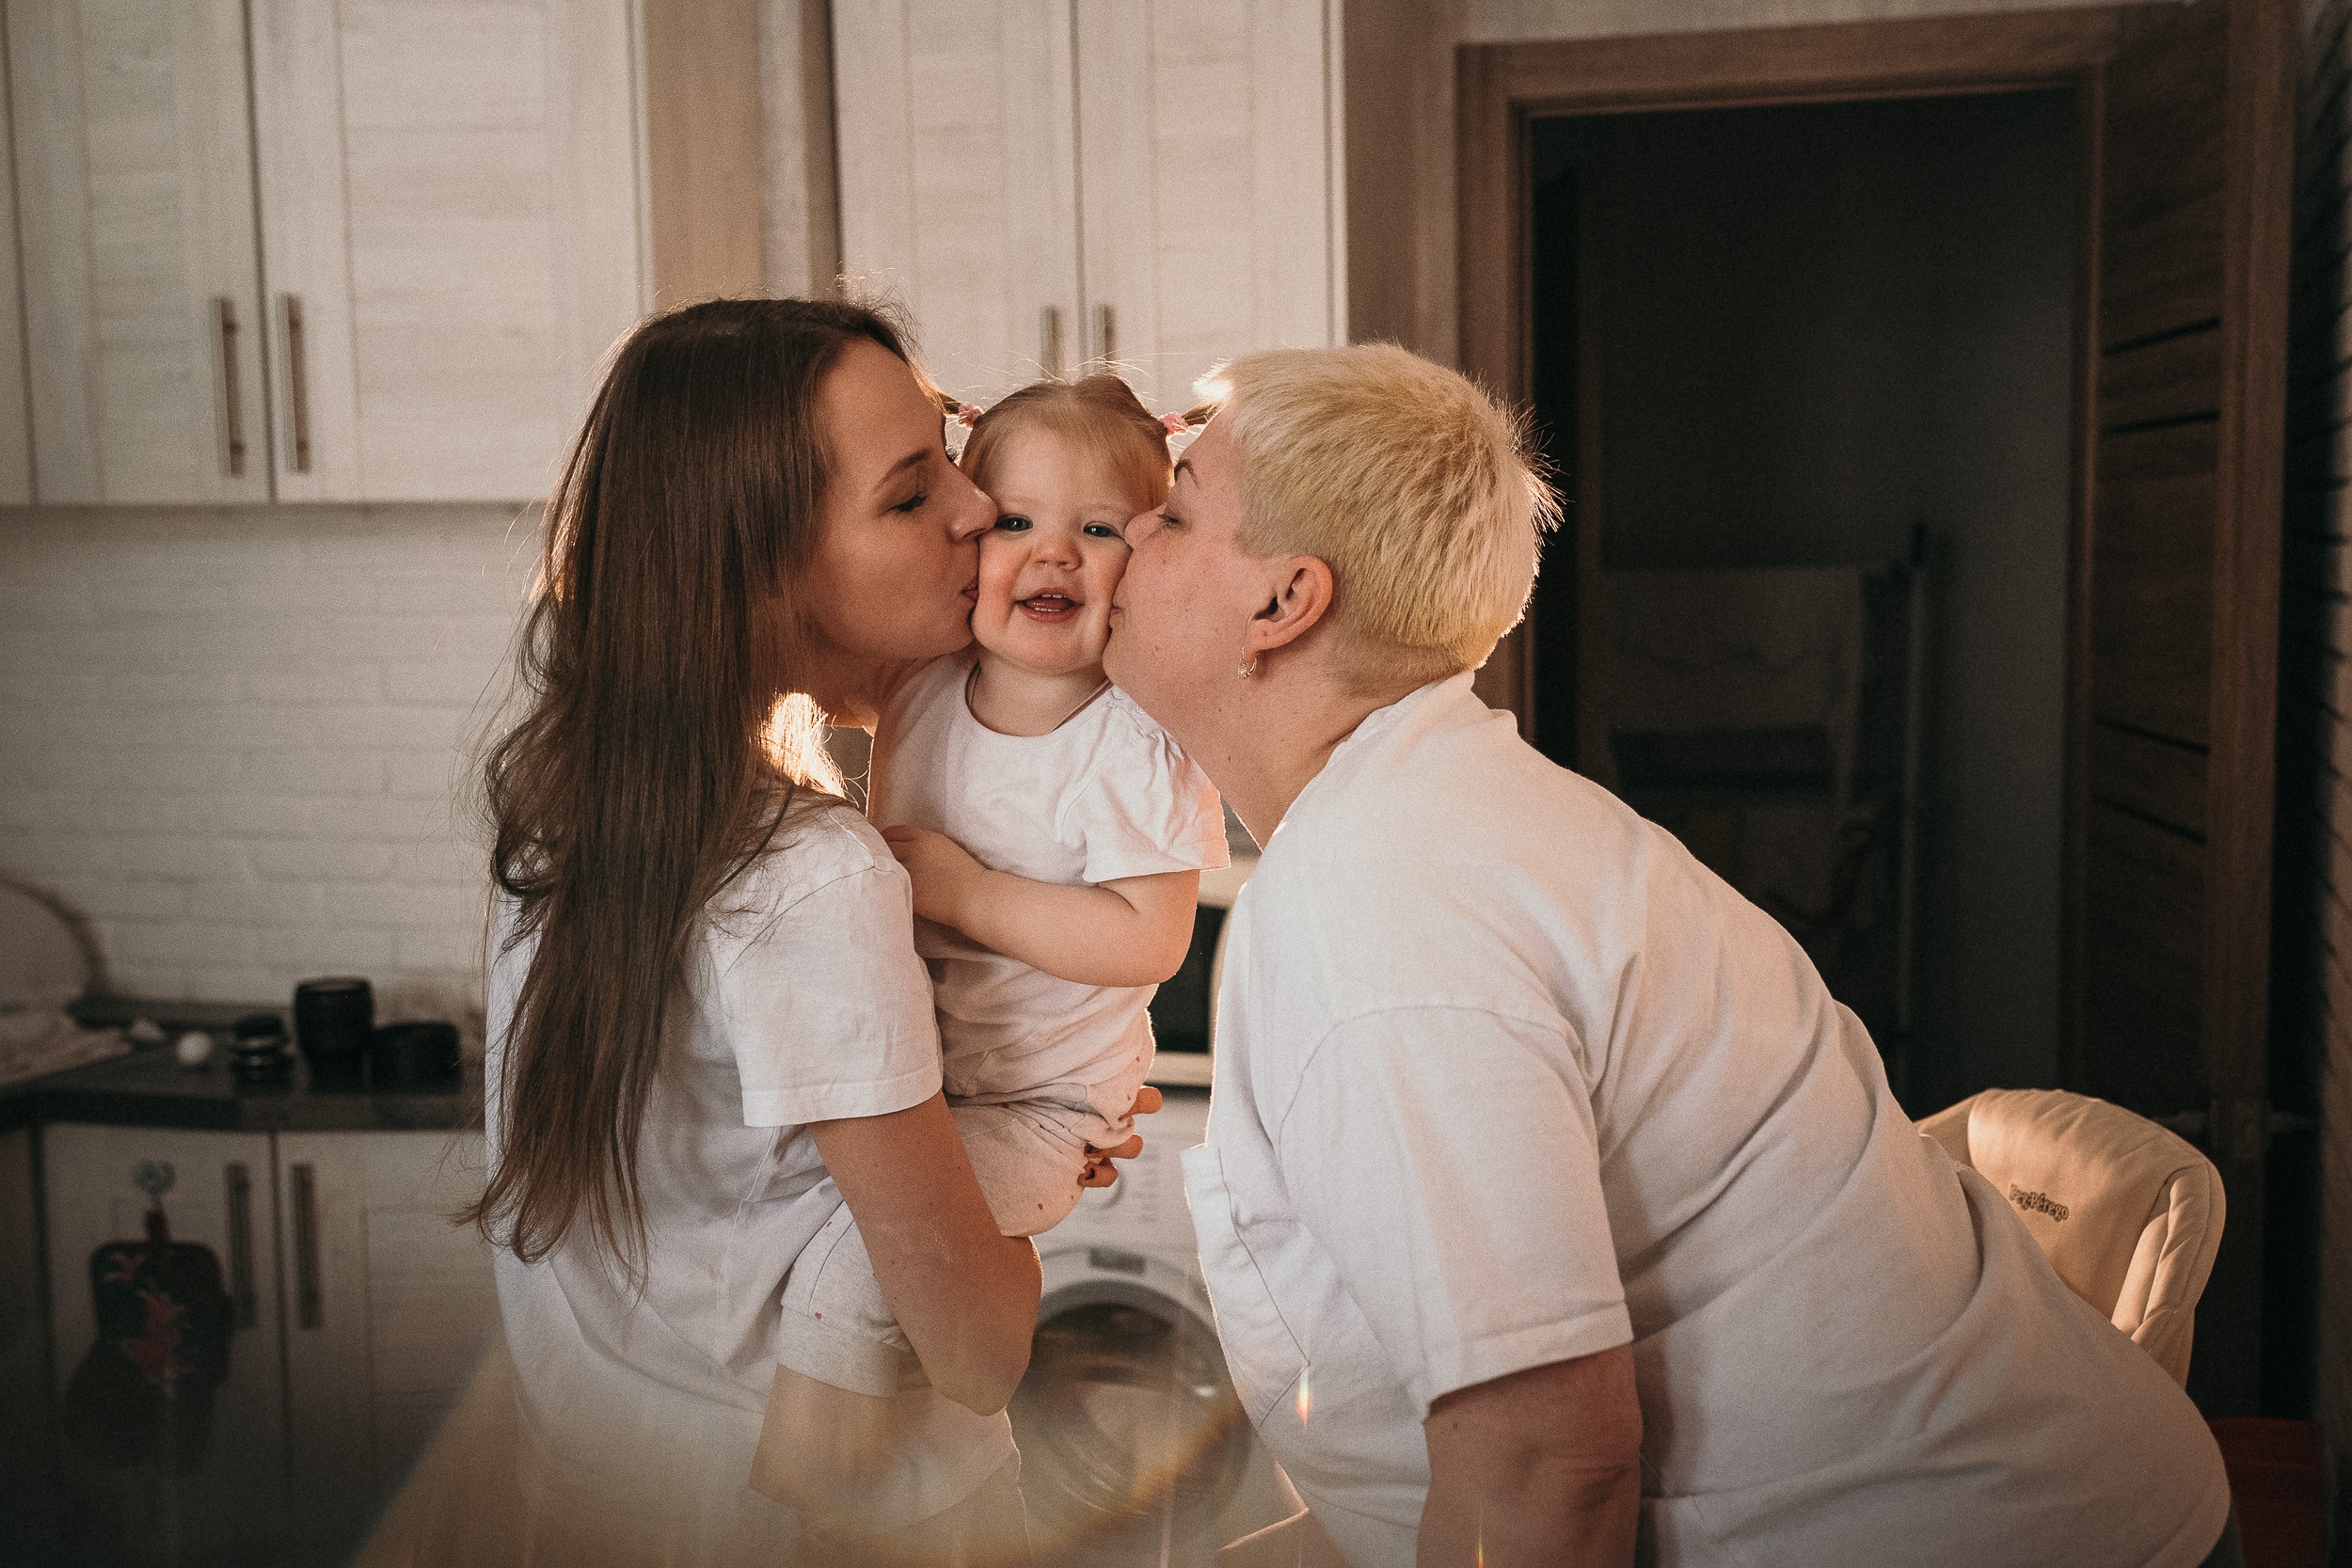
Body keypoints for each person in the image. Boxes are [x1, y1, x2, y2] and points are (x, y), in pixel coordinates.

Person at [1102, 342, 2237, 1567]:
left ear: (1284, 600)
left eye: (1172, 509)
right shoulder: (1438, 814)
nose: (1123, 534)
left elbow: (1549, 1466)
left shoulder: (1376, 903)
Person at [470, 298, 1131, 1565]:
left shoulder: (562, 810)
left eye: (949, 451)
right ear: (762, 571)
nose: (975, 509)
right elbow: (977, 1351)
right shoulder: (813, 876)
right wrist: (1020, 1193)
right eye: (906, 494)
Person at [764, 375, 1227, 1482]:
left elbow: (1144, 942)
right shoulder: (919, 681)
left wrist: (964, 892)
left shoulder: (1132, 745)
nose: (1051, 553)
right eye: (1014, 518)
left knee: (851, 1263)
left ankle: (796, 1490)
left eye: (1099, 528)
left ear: (1146, 561)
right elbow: (808, 610)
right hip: (934, 1081)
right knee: (864, 1258)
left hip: (1043, 1101)